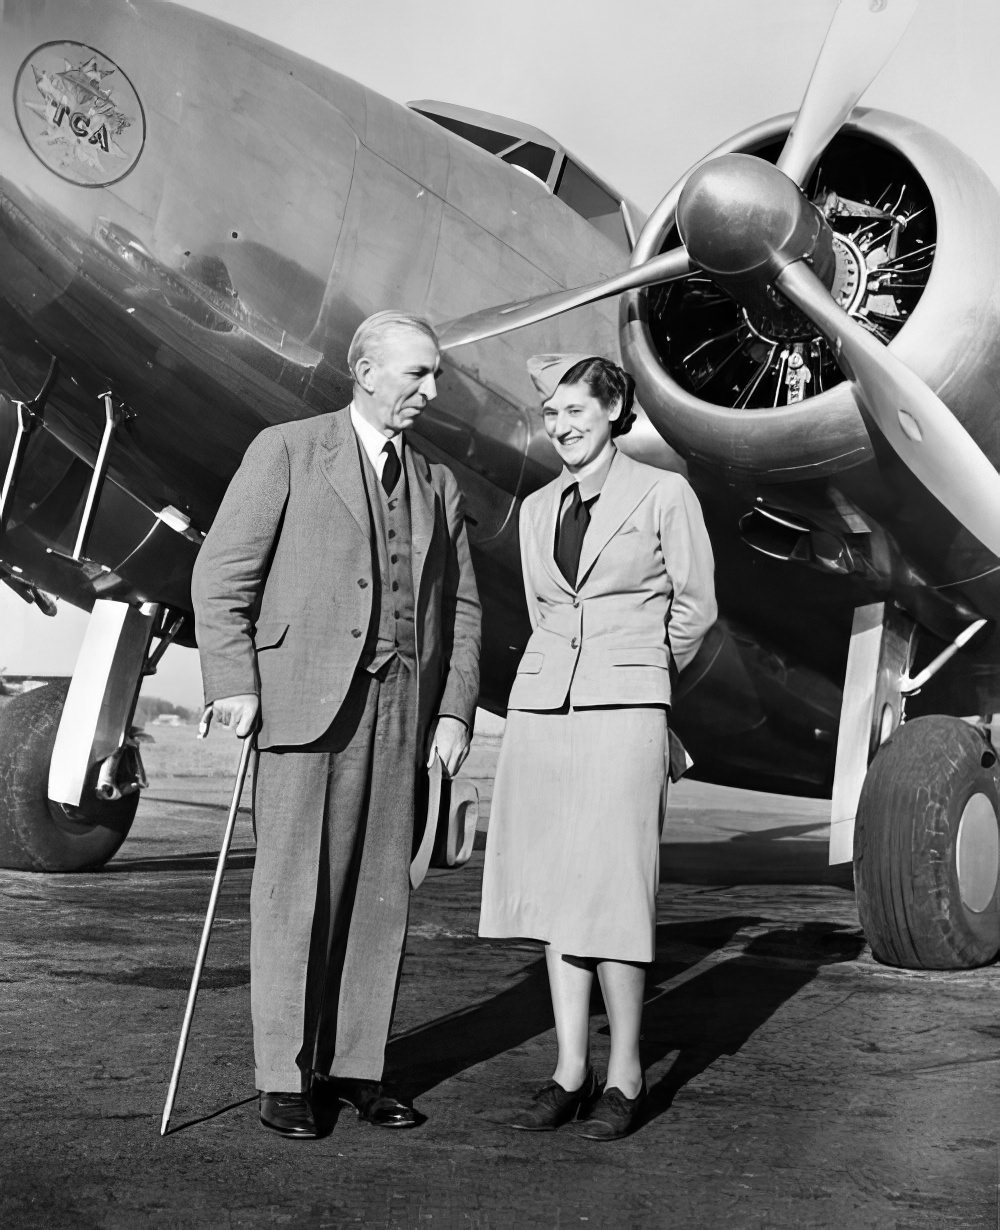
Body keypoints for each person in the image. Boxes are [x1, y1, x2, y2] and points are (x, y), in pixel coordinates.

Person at [192, 311, 481, 1139]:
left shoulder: (437, 484)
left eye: (434, 377)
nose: (430, 391)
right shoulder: (285, 449)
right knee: (293, 893)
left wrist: (455, 707)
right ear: (363, 369)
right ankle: (284, 1076)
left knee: (380, 896)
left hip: (402, 710)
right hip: (302, 702)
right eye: (416, 374)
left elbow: (462, 612)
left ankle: (357, 1067)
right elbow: (222, 577)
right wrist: (234, 683)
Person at [479, 353, 716, 1140]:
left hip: (626, 706)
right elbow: (547, 608)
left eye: (577, 412)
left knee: (615, 889)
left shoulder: (663, 493)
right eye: (551, 416)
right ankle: (569, 1070)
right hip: (546, 706)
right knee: (554, 888)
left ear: (615, 411)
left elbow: (695, 609)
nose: (562, 427)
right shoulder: (541, 507)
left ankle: (626, 1073)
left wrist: (642, 672)